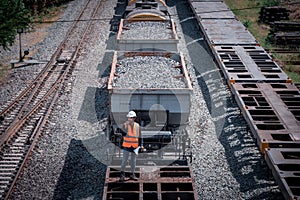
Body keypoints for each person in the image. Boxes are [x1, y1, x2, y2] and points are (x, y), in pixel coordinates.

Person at [118, 111, 143, 182]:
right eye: (129, 118)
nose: (130, 119)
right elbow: (122, 133)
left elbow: (140, 137)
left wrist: (141, 145)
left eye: (131, 118)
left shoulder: (137, 126)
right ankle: (122, 175)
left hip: (134, 146)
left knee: (133, 161)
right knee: (124, 161)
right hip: (126, 146)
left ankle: (132, 174)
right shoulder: (125, 125)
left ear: (134, 118)